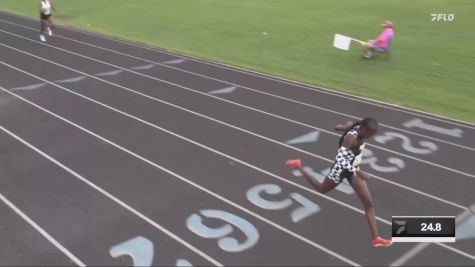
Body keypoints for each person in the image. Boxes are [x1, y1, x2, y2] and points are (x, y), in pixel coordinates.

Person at [285, 117, 392, 247]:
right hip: (340, 169)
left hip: (352, 170)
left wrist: (344, 127)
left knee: (369, 204)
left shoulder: (358, 129)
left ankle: (376, 239)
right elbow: (340, 159)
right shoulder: (351, 139)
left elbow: (337, 127)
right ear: (364, 129)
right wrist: (359, 172)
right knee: (322, 189)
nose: (371, 137)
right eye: (370, 134)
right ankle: (298, 166)